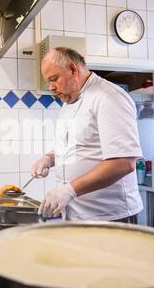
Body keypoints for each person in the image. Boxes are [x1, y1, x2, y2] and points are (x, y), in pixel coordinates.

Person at [32, 47, 143, 223]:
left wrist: (70, 189)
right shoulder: (69, 101)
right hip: (75, 215)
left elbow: (123, 163)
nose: (51, 87)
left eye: (54, 79)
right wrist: (48, 159)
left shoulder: (108, 97)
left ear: (73, 69)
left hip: (109, 217)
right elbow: (75, 145)